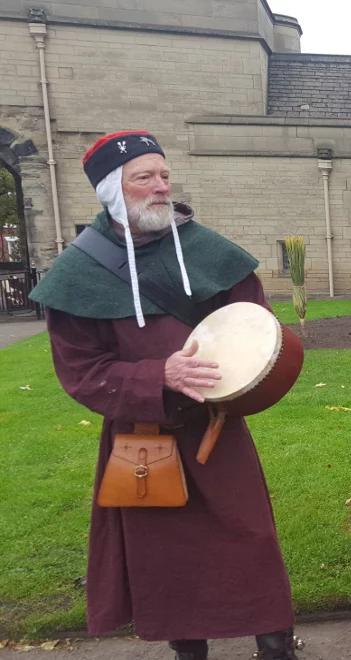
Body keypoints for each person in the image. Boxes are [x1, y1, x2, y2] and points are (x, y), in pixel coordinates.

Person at [29, 131, 298, 660]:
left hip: (217, 425)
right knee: (168, 558)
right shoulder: (78, 274)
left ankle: (275, 645)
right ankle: (188, 651)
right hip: (142, 436)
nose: (159, 187)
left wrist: (238, 371)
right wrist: (158, 375)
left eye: (165, 176)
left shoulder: (207, 250)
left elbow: (253, 323)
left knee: (250, 540)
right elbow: (82, 371)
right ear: (113, 190)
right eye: (144, 178)